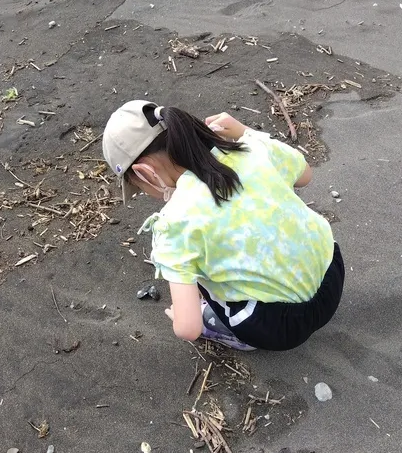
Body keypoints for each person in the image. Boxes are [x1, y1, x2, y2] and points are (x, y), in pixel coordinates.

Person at [102, 100, 344, 352]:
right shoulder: (250, 148)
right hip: (333, 274)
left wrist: (181, 317)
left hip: (282, 327)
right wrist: (244, 132)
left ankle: (232, 333)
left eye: (139, 187)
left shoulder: (174, 225)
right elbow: (305, 175)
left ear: (144, 173)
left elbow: (188, 328)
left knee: (199, 271)